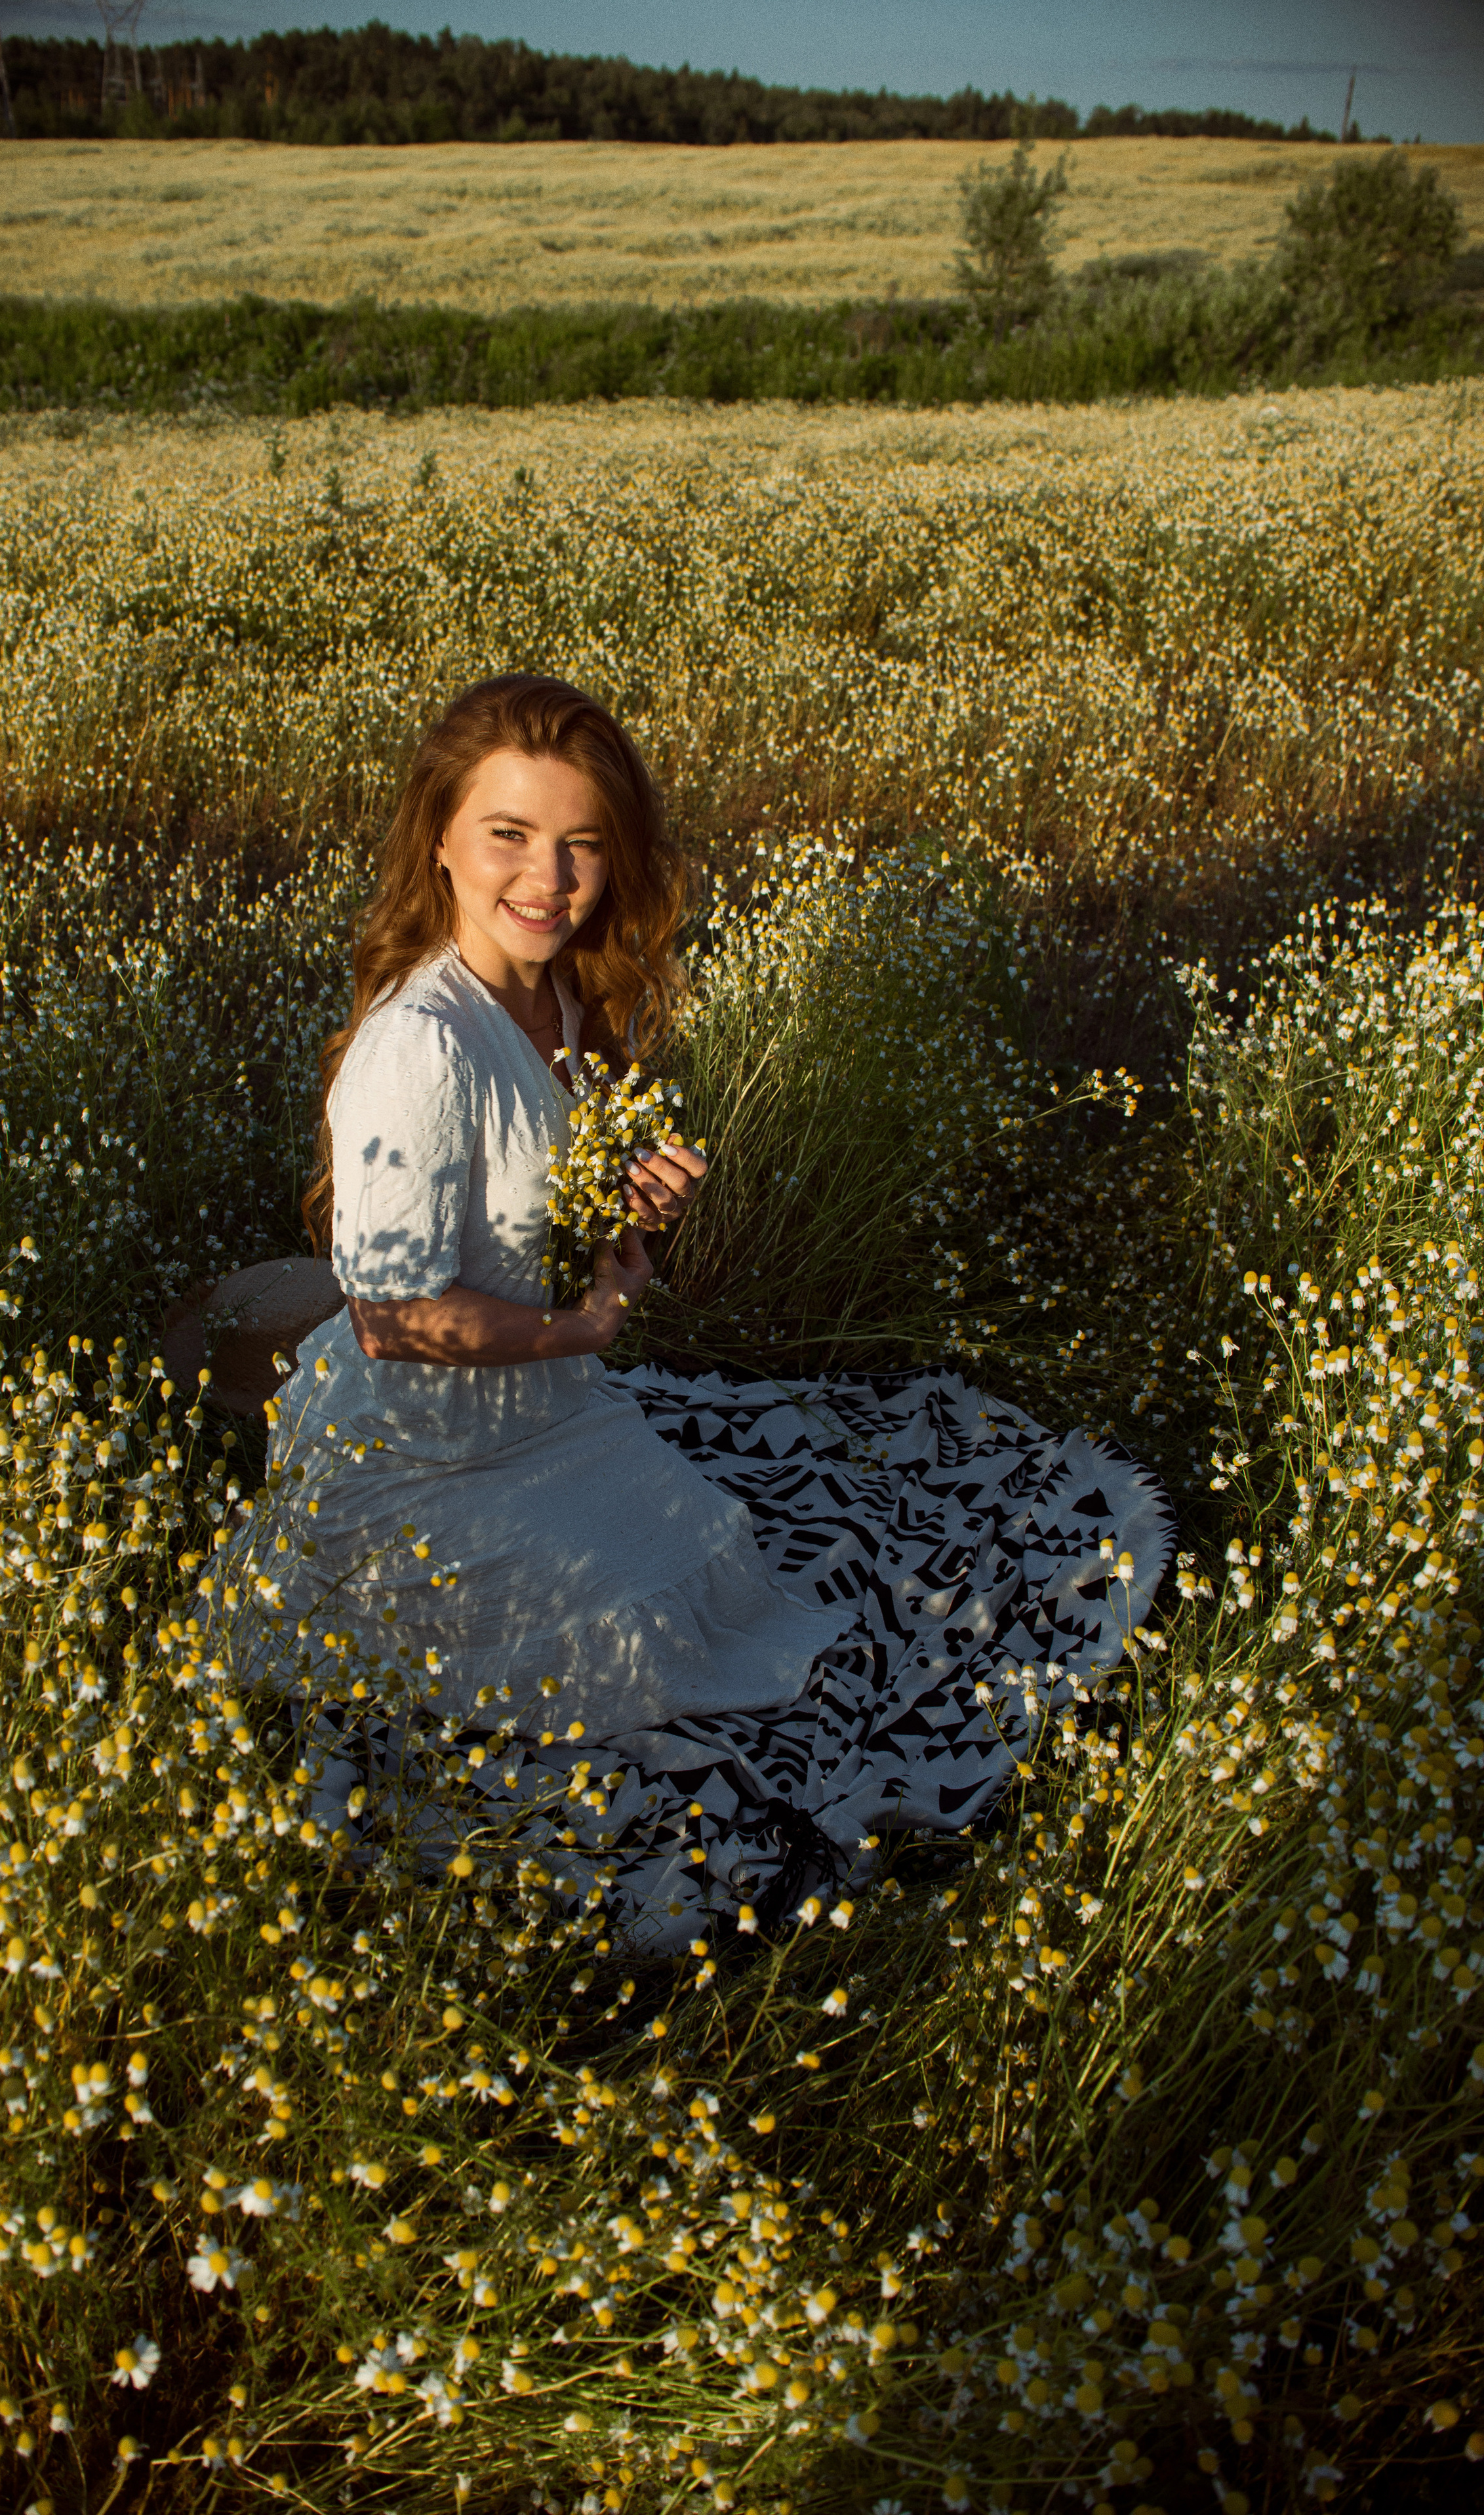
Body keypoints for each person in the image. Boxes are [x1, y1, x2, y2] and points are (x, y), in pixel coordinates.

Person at [264, 675, 1173, 1950]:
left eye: (582, 844)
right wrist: (582, 1330)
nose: (548, 879)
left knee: (721, 1557)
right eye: (509, 834)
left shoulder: (558, 1001)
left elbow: (542, 1230)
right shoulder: (421, 1047)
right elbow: (390, 1319)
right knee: (637, 1639)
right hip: (423, 1450)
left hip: (540, 1402)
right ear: (442, 844)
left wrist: (629, 1212)